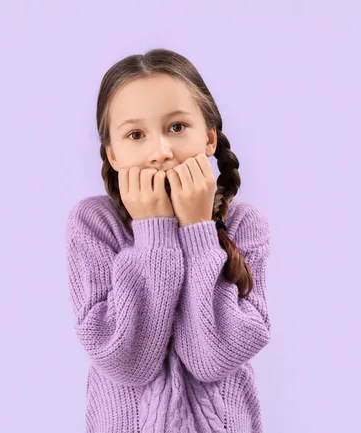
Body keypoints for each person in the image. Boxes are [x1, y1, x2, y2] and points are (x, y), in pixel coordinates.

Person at [65, 48, 272, 433]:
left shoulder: (245, 224)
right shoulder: (94, 224)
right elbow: (127, 361)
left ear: (209, 138)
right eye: (135, 134)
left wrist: (198, 232)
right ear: (112, 154)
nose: (160, 152)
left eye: (177, 127)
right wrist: (154, 233)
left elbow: (213, 358)